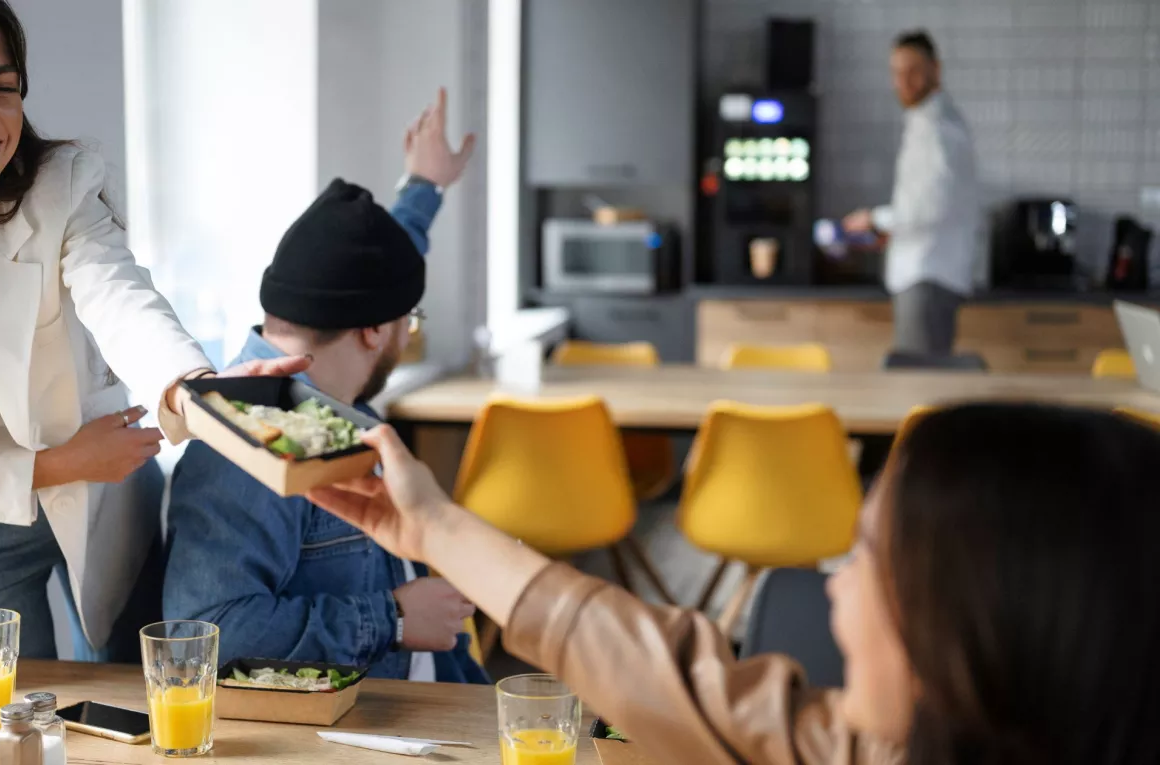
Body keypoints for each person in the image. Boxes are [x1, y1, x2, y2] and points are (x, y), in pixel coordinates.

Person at [0, 0, 303, 688]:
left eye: (4, 86)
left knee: (151, 690)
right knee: (18, 717)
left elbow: (122, 297)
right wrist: (54, 464)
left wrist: (190, 388)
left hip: (100, 495)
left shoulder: (56, 190)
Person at [309, 404, 1160, 764]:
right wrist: (428, 529)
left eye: (866, 556)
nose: (834, 590)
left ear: (985, 622)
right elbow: (671, 677)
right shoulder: (872, 748)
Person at [163, 90, 486, 684]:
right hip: (376, 726)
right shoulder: (251, 441)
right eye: (405, 324)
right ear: (372, 330)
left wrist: (425, 185)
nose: (405, 335)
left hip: (436, 683)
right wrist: (388, 618)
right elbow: (200, 635)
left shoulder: (323, 360)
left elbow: (384, 259)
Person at [843, 30, 979, 357]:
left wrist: (873, 219)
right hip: (923, 272)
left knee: (918, 388)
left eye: (913, 71)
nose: (903, 81)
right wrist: (889, 231)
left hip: (927, 277)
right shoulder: (927, 122)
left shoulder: (938, 129)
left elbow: (930, 208)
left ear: (936, 69)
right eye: (896, 72)